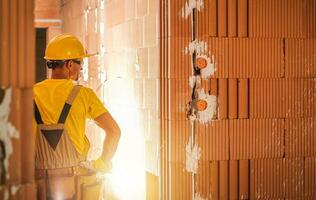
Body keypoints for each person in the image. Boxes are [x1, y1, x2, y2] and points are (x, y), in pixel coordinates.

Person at [33, 33, 121, 200]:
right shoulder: (83, 94)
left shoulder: (31, 93)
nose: (81, 68)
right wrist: (102, 163)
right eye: (80, 63)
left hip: (37, 186)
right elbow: (114, 132)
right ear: (69, 64)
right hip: (74, 185)